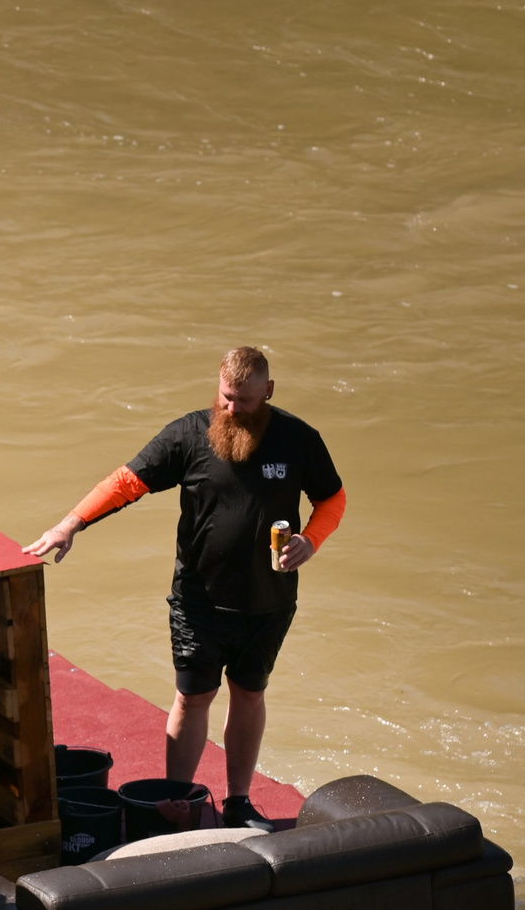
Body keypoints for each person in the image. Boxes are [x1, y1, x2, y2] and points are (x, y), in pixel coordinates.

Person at [21, 346, 347, 831]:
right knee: (193, 697)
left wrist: (309, 541)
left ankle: (237, 801)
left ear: (269, 392)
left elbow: (333, 499)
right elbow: (126, 481)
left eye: (245, 400)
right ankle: (178, 802)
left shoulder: (299, 440)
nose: (232, 409)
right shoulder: (191, 433)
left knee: (249, 694)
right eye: (226, 397)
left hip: (268, 603)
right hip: (198, 601)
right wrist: (72, 523)